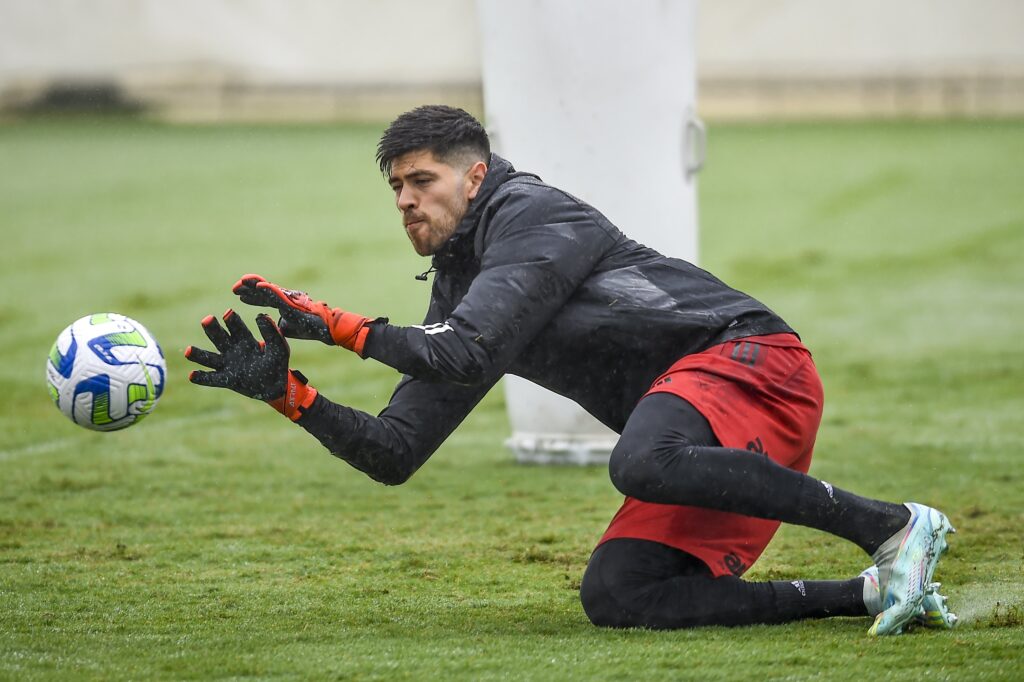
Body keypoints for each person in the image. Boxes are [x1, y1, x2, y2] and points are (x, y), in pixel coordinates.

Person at [185, 105, 955, 635]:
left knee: (641, 460)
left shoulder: (533, 214)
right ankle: (867, 592)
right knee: (618, 594)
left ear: (476, 176)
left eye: (422, 182)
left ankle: (892, 526)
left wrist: (341, 325)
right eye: (395, 188)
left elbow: (466, 353)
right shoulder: (463, 285)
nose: (405, 202)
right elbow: (395, 451)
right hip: (696, 435)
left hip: (748, 359)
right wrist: (292, 396)